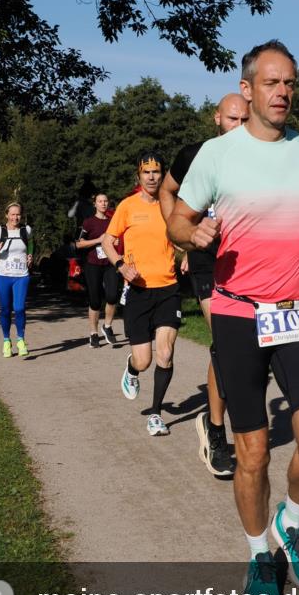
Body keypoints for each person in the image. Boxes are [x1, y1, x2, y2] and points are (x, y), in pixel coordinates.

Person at [167, 40, 299, 595]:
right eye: (272, 83)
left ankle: (290, 524)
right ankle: (257, 555)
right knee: (251, 454)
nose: (283, 93)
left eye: (290, 83)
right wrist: (191, 233)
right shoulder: (216, 153)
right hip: (237, 315)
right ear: (246, 90)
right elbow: (178, 218)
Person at [159, 93, 249, 478]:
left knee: (243, 350)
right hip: (207, 261)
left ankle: (231, 420)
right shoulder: (194, 155)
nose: (239, 127)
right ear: (217, 118)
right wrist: (182, 236)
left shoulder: (260, 157)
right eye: (232, 119)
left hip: (247, 263)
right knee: (226, 342)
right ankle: (215, 430)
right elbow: (167, 191)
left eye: (245, 120)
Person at [101, 153, 181, 437]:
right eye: (146, 172)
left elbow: (184, 236)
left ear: (163, 175)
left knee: (166, 353)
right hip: (138, 291)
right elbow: (108, 241)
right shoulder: (127, 206)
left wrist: (188, 254)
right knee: (144, 360)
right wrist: (120, 265)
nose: (151, 177)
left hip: (169, 288)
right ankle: (132, 369)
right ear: (139, 176)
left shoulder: (173, 205)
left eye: (156, 172)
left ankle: (156, 414)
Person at [0, 202, 34, 358]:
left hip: (21, 276)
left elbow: (31, 243)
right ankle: (6, 341)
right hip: (3, 276)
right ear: (6, 215)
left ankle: (21, 340)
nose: (15, 217)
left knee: (19, 308)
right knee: (5, 309)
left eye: (18, 214)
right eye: (12, 214)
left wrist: (30, 255)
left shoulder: (26, 230)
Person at [76, 192, 119, 347]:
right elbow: (79, 244)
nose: (103, 204)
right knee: (95, 300)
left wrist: (116, 242)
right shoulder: (88, 222)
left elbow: (119, 238)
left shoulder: (113, 222)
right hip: (92, 264)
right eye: (100, 201)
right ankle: (93, 333)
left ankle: (107, 326)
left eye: (105, 201)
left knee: (112, 296)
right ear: (95, 204)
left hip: (110, 263)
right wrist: (98, 240)